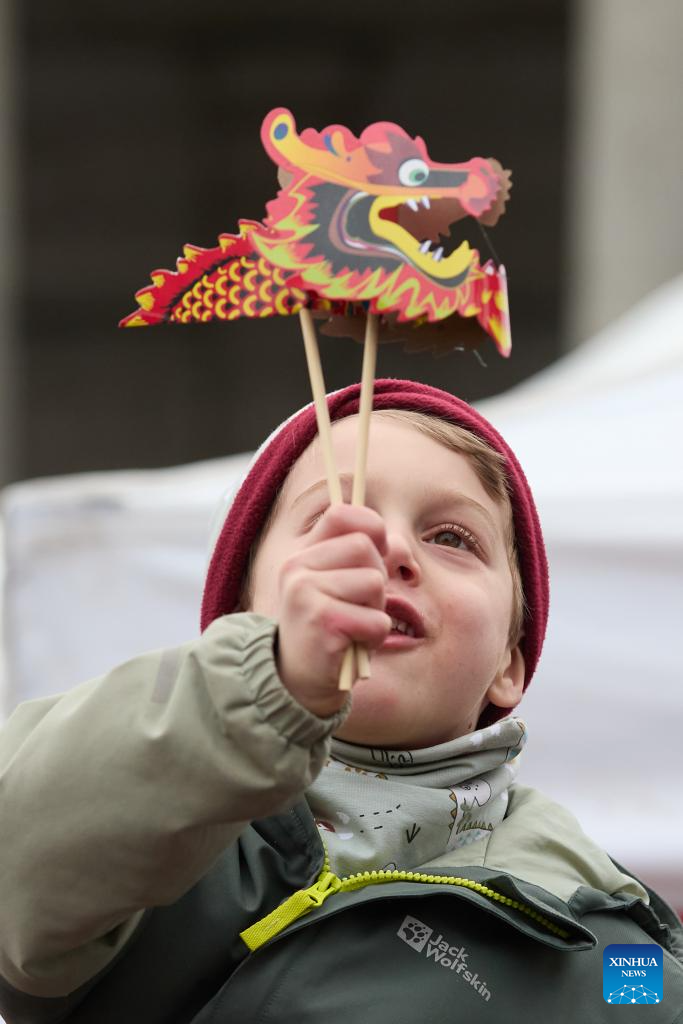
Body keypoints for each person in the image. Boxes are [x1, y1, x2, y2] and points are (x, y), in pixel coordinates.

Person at [1, 378, 681, 1024]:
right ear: (243, 615)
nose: (386, 550)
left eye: (451, 538)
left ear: (509, 664)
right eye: (332, 522)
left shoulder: (614, 950)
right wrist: (264, 684)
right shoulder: (155, 826)